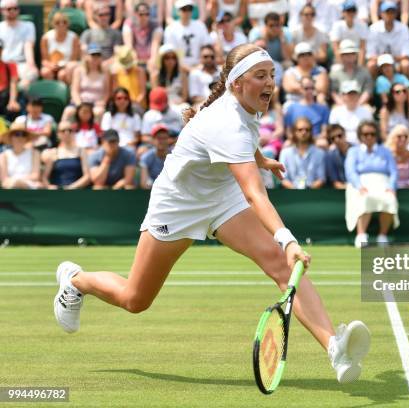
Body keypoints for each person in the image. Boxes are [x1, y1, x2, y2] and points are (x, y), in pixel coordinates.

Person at [53, 44, 371, 385]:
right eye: (260, 76)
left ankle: (334, 349)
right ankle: (75, 281)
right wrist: (288, 239)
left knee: (281, 266)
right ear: (236, 83)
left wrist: (260, 159)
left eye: (272, 75)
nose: (270, 83)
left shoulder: (247, 106)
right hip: (177, 205)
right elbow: (254, 192)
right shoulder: (226, 123)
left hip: (220, 198)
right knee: (135, 299)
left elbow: (245, 141)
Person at [344, 120, 399, 247]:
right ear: (360, 135)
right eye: (365, 134)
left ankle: (382, 236)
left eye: (372, 134)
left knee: (390, 200)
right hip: (361, 184)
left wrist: (391, 187)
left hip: (383, 183)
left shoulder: (385, 151)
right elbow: (350, 172)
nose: (369, 137)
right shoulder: (353, 151)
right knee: (365, 198)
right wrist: (359, 186)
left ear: (377, 135)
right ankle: (361, 235)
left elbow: (393, 172)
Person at [65, 43, 111, 122]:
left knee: (98, 112)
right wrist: (79, 105)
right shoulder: (78, 71)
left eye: (98, 55)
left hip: (97, 104)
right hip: (80, 102)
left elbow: (107, 92)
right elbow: (74, 91)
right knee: (69, 111)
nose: (95, 58)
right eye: (93, 55)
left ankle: (97, 133)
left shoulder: (105, 72)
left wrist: (102, 102)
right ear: (86, 56)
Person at [366, 1, 409, 78]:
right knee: (371, 65)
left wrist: (390, 58)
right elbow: (370, 56)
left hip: (397, 62)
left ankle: (406, 87)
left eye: (392, 12)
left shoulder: (403, 28)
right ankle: (372, 88)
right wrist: (385, 60)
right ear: (381, 14)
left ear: (396, 14)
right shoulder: (373, 28)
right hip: (379, 62)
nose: (389, 15)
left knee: (406, 64)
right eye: (387, 12)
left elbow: (406, 55)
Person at [163, 0, 213, 69]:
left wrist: (200, 65)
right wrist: (185, 68)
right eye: (184, 9)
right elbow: (170, 53)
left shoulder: (200, 26)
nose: (187, 12)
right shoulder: (171, 29)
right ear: (178, 11)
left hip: (199, 67)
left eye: (190, 8)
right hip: (177, 69)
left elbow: (206, 47)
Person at [278, 117, 326, 189]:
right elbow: (283, 178)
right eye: (300, 130)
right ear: (294, 131)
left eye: (307, 130)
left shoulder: (319, 153)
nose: (304, 132)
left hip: (312, 193)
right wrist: (295, 190)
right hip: (291, 193)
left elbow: (321, 179)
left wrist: (307, 191)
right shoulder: (285, 153)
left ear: (311, 132)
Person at [41, 121, 91, 190]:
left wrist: (71, 187)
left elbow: (87, 176)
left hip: (77, 192)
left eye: (70, 130)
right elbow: (45, 177)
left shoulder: (81, 151)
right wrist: (49, 187)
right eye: (63, 131)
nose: (67, 133)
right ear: (58, 134)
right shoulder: (53, 152)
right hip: (57, 193)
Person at [0, 0, 38, 88]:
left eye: (15, 8)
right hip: (3, 64)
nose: (12, 11)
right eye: (9, 9)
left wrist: (31, 65)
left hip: (21, 64)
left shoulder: (28, 26)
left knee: (33, 73)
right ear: (2, 10)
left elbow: (28, 47)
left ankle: (15, 94)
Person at [284, 76, 330, 145]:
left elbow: (324, 132)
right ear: (301, 89)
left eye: (312, 88)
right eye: (306, 88)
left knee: (323, 143)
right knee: (287, 144)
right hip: (296, 141)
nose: (309, 91)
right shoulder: (291, 108)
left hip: (316, 141)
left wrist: (311, 140)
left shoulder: (323, 108)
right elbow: (288, 132)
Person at [281, 42, 329, 107]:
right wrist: (311, 88)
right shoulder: (290, 71)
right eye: (302, 55)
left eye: (309, 54)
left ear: (313, 55)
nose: (306, 57)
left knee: (322, 100)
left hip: (314, 101)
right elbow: (289, 87)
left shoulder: (320, 70)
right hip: (294, 102)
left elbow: (322, 88)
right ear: (296, 57)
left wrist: (301, 87)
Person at [329, 39, 373, 107]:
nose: (349, 57)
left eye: (352, 54)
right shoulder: (334, 73)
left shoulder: (364, 72)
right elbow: (334, 92)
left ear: (356, 56)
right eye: (346, 54)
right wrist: (343, 106)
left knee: (368, 110)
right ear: (341, 56)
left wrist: (358, 105)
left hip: (361, 105)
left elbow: (367, 91)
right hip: (341, 105)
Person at [41, 11, 81, 84]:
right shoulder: (46, 38)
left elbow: (73, 60)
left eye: (64, 22)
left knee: (62, 74)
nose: (61, 25)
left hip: (67, 67)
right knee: (45, 72)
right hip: (51, 66)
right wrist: (51, 66)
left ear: (68, 24)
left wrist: (63, 66)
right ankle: (50, 94)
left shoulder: (74, 37)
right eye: (57, 22)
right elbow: (45, 60)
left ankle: (65, 94)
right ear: (53, 24)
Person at [122, 1, 163, 71]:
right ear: (135, 14)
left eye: (147, 14)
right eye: (141, 14)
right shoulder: (128, 24)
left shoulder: (156, 25)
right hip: (134, 59)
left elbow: (155, 45)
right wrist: (135, 61)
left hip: (150, 59)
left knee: (154, 68)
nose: (144, 17)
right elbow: (129, 46)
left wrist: (152, 59)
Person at [0, 123, 41, 189]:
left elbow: (35, 176)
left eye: (23, 135)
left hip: (30, 187)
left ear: (26, 138)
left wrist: (20, 182)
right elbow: (4, 180)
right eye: (17, 134)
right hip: (10, 187)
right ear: (11, 137)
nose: (20, 137)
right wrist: (16, 182)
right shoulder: (3, 155)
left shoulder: (35, 153)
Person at [151, 44, 189, 114]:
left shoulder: (182, 75)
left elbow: (184, 96)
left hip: (178, 104)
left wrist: (176, 104)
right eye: (167, 58)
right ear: (162, 60)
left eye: (173, 58)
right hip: (161, 106)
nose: (171, 60)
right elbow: (155, 96)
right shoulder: (155, 76)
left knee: (186, 107)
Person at [330, 0, 369, 66]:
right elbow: (336, 48)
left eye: (353, 11)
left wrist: (359, 67)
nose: (351, 13)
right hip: (341, 58)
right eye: (348, 11)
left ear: (356, 12)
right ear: (343, 13)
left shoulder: (362, 25)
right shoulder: (337, 25)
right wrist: (342, 68)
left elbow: (362, 48)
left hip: (356, 58)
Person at [111, 46, 148, 111]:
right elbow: (116, 94)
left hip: (137, 106)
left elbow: (142, 94)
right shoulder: (116, 73)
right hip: (121, 106)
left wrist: (132, 105)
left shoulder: (140, 71)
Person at [140, 123, 170, 188]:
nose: (161, 141)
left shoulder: (174, 157)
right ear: (153, 140)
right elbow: (144, 183)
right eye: (158, 138)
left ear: (168, 140)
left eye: (164, 138)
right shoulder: (146, 157)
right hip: (151, 192)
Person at [325, 124, 352, 189]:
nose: (337, 139)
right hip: (342, 190)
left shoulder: (357, 150)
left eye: (339, 136)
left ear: (345, 134)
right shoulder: (330, 156)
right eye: (333, 138)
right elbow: (335, 182)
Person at [0, 39, 21, 121]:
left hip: (4, 99)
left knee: (13, 109)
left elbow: (13, 83)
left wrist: (12, 101)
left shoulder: (11, 66)